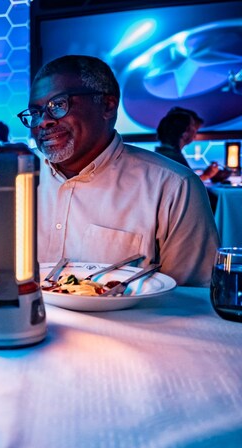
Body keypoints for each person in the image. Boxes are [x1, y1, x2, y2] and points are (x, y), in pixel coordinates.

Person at [19, 54, 218, 286]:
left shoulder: (173, 187)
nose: (43, 122)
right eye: (35, 113)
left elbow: (192, 298)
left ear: (107, 105)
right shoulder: (14, 179)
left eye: (58, 105)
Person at [155, 109, 220, 182]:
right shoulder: (175, 161)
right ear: (185, 133)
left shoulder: (158, 156)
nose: (195, 135)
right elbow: (188, 187)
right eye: (194, 129)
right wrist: (206, 176)